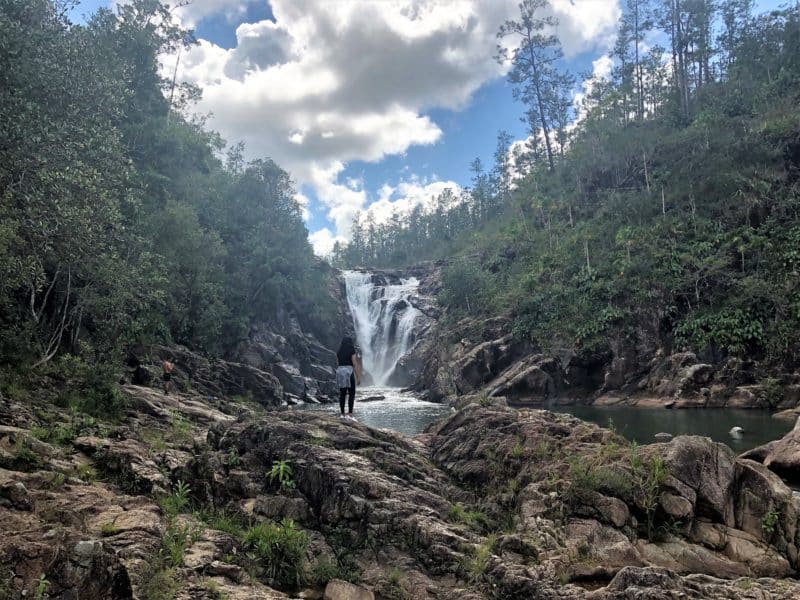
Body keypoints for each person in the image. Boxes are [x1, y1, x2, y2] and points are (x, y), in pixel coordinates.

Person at [335, 336, 361, 420]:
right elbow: (354, 363)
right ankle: (350, 413)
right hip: (348, 372)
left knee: (342, 394)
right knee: (351, 393)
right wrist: (358, 377)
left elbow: (338, 363)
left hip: (340, 372)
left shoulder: (339, 352)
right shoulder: (351, 350)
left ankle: (342, 413)